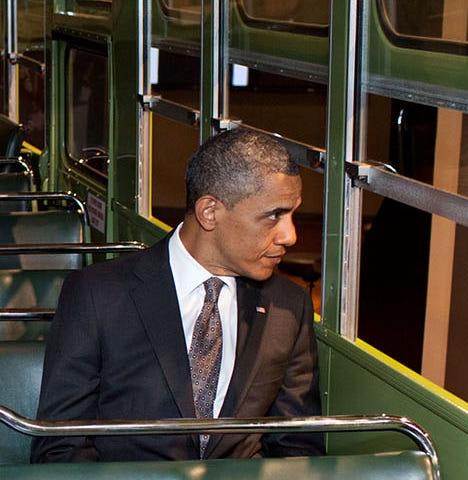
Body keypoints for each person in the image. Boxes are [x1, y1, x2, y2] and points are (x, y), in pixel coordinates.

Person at [30, 129, 324, 462]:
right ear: (209, 212)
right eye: (274, 215)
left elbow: (297, 447)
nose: (290, 235)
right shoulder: (98, 295)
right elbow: (61, 446)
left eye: (292, 214)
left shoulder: (288, 306)